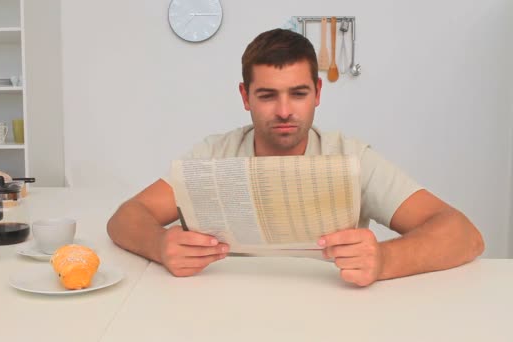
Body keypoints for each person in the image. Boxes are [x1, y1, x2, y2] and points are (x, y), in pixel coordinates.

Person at [107, 28, 484, 287]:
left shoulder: (351, 158)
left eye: (298, 94)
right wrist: (160, 245)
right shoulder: (212, 155)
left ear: (318, 93)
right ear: (245, 96)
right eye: (268, 95)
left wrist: (385, 261)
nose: (284, 111)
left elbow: (464, 235)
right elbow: (127, 216)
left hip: (332, 315)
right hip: (221, 315)